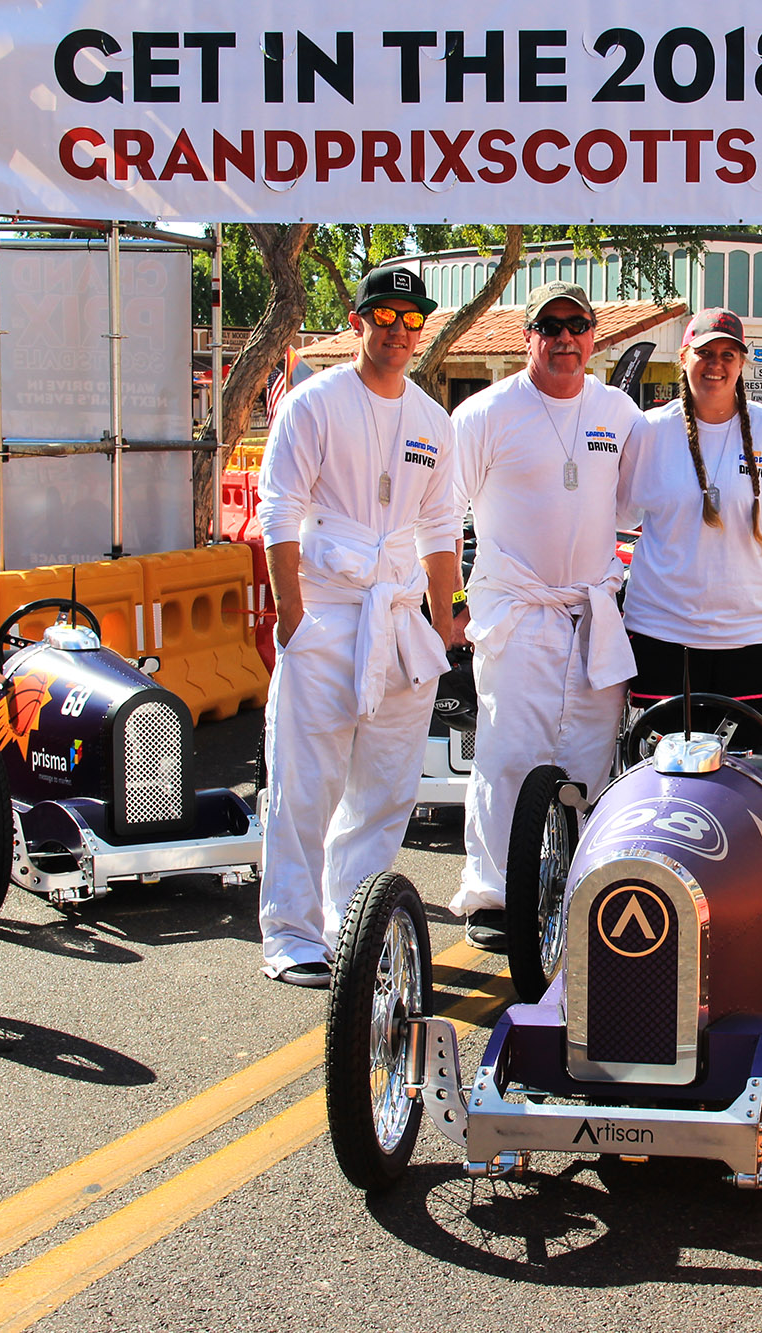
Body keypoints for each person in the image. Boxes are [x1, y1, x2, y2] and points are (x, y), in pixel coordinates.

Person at [255, 264, 463, 986]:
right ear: (359, 322)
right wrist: (290, 616)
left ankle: (356, 922)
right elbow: (278, 511)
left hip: (401, 619)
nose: (401, 332)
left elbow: (441, 528)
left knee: (385, 787)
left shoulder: (433, 422)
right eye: (387, 318)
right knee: (305, 784)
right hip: (327, 611)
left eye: (413, 321)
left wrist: (445, 625)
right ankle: (290, 931)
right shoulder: (312, 405)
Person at [448, 282, 642, 950]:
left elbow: (646, 501)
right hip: (517, 611)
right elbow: (438, 513)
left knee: (587, 757)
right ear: (527, 335)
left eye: (577, 325)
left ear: (594, 335)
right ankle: (495, 894)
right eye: (549, 326)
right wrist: (448, 603)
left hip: (591, 612)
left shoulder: (618, 411)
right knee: (510, 754)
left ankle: (574, 885)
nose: (565, 338)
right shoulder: (486, 414)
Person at [619, 308, 762, 723]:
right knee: (662, 777)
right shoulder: (649, 430)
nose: (716, 365)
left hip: (753, 634)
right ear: (684, 357)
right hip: (662, 635)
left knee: (748, 775)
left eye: (728, 355)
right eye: (705, 353)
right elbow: (612, 517)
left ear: (742, 363)